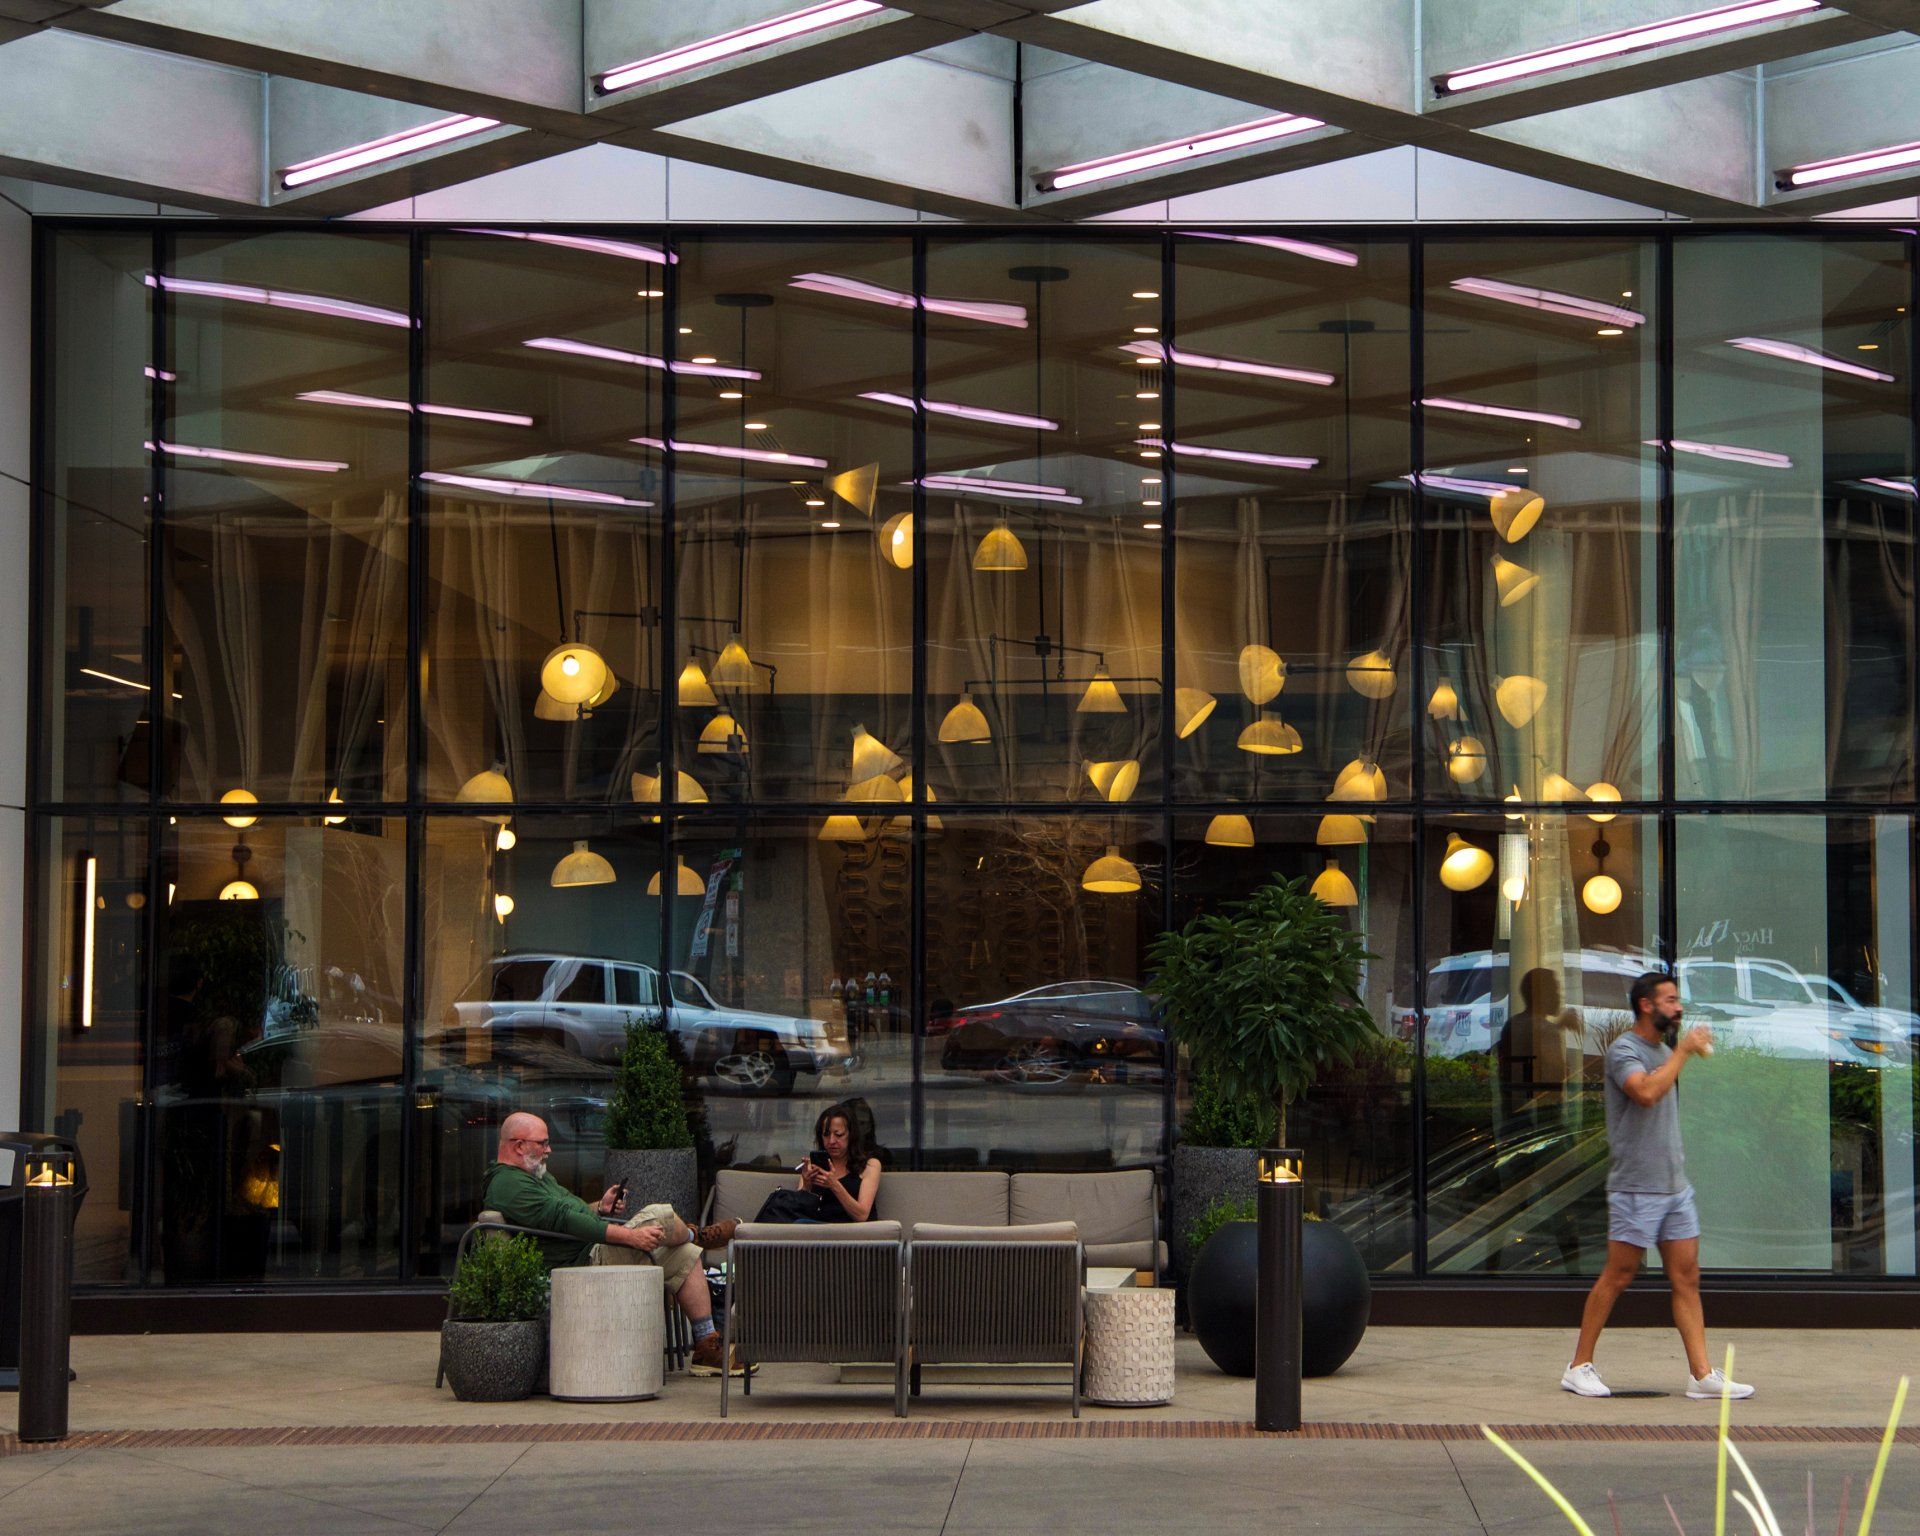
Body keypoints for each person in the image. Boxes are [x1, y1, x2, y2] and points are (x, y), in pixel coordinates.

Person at [1561, 971, 1753, 1401]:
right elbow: (1644, 1093)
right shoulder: (1625, 1050)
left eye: (1677, 999)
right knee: (1619, 1274)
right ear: (1647, 1005)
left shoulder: (1663, 1050)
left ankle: (1702, 1376)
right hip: (1636, 1188)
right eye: (1669, 1000)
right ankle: (1578, 1366)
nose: (1678, 1007)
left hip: (1674, 1188)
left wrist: (1677, 1053)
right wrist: (1683, 1053)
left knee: (1687, 1276)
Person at [479, 1112, 743, 1375]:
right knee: (660, 1214)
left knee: (685, 1252)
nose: (549, 1149)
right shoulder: (509, 1184)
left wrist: (601, 1208)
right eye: (542, 1143)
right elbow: (563, 1220)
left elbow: (573, 1212)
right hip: (581, 1263)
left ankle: (706, 1344)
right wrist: (630, 1236)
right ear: (518, 1145)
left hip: (590, 1250)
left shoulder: (535, 1175)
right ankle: (700, 1234)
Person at [752, 1102, 882, 1224]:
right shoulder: (814, 1164)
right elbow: (800, 1210)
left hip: (856, 1235)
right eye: (826, 1135)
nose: (831, 1141)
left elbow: (861, 1215)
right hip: (816, 1233)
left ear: (851, 1135)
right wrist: (807, 1186)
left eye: (839, 1135)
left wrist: (834, 1185)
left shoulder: (869, 1166)